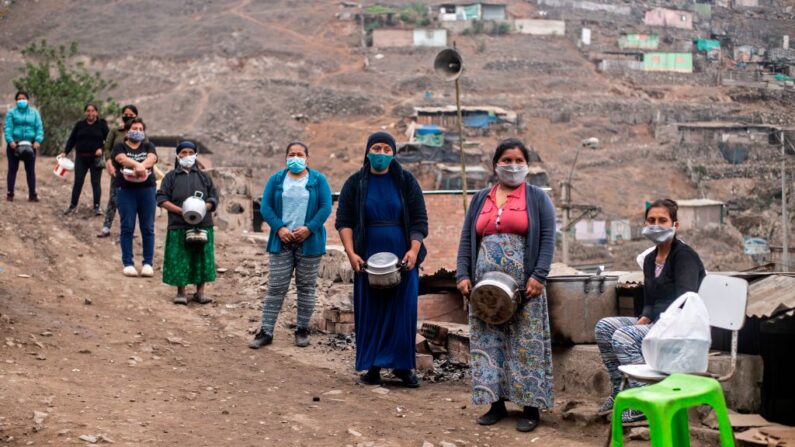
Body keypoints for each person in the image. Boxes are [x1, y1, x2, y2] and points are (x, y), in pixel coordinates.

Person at [455, 138, 555, 433]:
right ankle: (495, 403)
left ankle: (530, 407)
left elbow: (548, 237)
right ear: (495, 164)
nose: (513, 166)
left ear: (527, 165)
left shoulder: (537, 198)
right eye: (506, 160)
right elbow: (466, 240)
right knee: (489, 341)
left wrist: (539, 275)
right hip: (485, 289)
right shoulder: (480, 198)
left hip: (526, 286)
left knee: (526, 343)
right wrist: (463, 275)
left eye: (518, 161)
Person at [594, 198, 706, 423]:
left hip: (679, 326)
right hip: (657, 322)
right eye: (651, 220)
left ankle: (643, 400)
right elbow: (649, 299)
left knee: (624, 336)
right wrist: (645, 317)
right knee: (604, 327)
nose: (656, 225)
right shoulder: (649, 259)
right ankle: (620, 392)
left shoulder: (684, 256)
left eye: (662, 220)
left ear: (675, 225)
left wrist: (656, 323)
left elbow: (685, 301)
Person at [334, 132, 428, 388]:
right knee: (371, 310)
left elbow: (419, 220)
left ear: (394, 153)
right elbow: (344, 221)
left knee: (402, 310)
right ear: (367, 151)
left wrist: (413, 249)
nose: (382, 153)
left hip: (402, 254)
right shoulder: (355, 183)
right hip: (367, 255)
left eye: (387, 149)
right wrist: (351, 253)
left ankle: (402, 367)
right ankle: (373, 366)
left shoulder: (406, 181)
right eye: (377, 148)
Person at [250, 142, 332, 348]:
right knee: (276, 287)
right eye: (291, 154)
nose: (295, 158)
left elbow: (325, 207)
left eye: (300, 154)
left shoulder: (318, 180)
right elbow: (266, 206)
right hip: (282, 240)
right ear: (286, 157)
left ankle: (302, 330)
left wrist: (309, 228)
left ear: (307, 157)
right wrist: (279, 228)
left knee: (305, 288)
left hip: (309, 242)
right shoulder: (277, 179)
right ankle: (266, 331)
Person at [156, 141, 218, 305]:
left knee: (201, 257)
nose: (187, 155)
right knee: (179, 257)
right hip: (178, 224)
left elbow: (213, 196)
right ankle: (181, 292)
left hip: (202, 224)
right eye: (184, 152)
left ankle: (200, 292)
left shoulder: (204, 177)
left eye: (191, 152)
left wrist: (205, 206)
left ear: (196, 154)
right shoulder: (170, 177)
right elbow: (161, 198)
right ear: (178, 155)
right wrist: (180, 211)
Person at [111, 118, 158, 277]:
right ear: (128, 130)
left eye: (140, 129)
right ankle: (128, 263)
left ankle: (147, 263)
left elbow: (152, 158)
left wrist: (141, 166)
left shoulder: (148, 146)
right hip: (126, 191)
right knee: (127, 227)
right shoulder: (120, 146)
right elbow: (120, 159)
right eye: (134, 128)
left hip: (147, 190)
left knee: (148, 227)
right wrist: (138, 165)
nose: (137, 131)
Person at [98, 105, 142, 237]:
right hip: (118, 170)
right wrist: (109, 162)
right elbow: (107, 148)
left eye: (131, 115)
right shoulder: (116, 131)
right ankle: (106, 227)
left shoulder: (139, 133)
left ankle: (129, 229)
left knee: (132, 200)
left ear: (136, 116)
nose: (128, 117)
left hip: (134, 172)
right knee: (114, 197)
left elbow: (145, 149)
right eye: (125, 114)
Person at [62, 103, 109, 215]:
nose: (90, 113)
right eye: (88, 111)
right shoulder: (80, 125)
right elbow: (72, 139)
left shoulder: (102, 124)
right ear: (85, 113)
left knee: (96, 182)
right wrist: (65, 152)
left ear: (96, 112)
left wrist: (102, 149)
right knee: (78, 181)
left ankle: (97, 207)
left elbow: (108, 141)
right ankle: (72, 206)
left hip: (96, 159)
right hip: (81, 158)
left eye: (93, 111)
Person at [4, 90, 43, 202]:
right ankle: (10, 193)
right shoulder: (11, 113)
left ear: (27, 100)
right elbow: (8, 128)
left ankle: (32, 194)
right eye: (19, 99)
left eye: (23, 98)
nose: (21, 101)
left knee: (30, 170)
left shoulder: (34, 113)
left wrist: (38, 140)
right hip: (14, 145)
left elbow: (39, 127)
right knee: (12, 169)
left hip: (30, 145)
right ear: (16, 101)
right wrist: (10, 141)